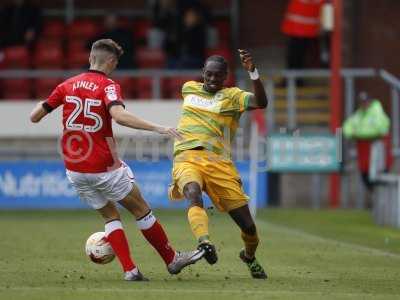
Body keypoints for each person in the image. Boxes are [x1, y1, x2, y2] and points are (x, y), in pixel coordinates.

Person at [29, 39, 203, 281]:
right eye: (115, 63)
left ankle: (130, 271)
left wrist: (48, 103)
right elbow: (119, 116)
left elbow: (34, 117)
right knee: (141, 209)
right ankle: (172, 259)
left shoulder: (66, 85)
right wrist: (158, 128)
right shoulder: (108, 85)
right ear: (111, 62)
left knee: (110, 216)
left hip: (74, 168)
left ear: (91, 58)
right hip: (103, 166)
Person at [168, 49, 268, 279]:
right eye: (209, 74)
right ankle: (204, 243)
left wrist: (253, 73)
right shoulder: (188, 88)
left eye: (218, 76)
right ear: (202, 72)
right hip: (187, 156)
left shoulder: (233, 96)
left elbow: (261, 103)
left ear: (226, 76)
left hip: (219, 164)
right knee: (192, 192)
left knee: (249, 229)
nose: (213, 80)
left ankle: (249, 256)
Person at [343, 92, 391, 206]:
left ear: (370, 101)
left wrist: (358, 134)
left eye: (366, 101)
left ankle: (385, 205)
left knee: (379, 178)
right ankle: (379, 204)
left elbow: (379, 130)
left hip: (378, 152)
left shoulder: (377, 112)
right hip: (364, 153)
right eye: (362, 102)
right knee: (366, 179)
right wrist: (358, 133)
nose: (364, 104)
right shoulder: (358, 115)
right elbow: (346, 128)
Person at [281, 0, 325, 84]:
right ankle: (296, 80)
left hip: (297, 27)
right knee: (299, 56)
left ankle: (293, 80)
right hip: (308, 28)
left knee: (294, 56)